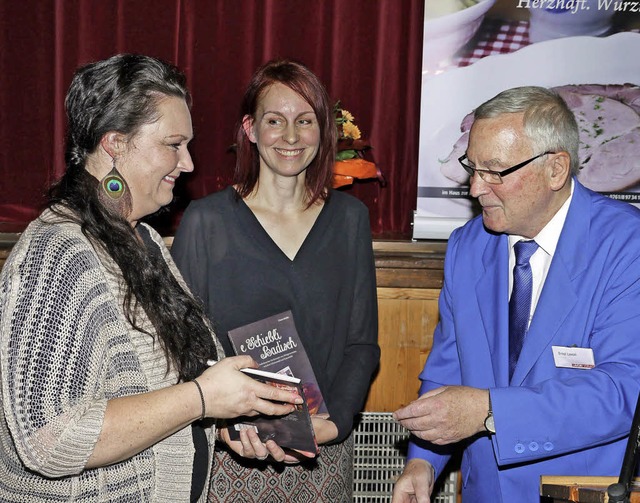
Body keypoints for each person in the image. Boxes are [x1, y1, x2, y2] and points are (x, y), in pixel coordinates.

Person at [0, 54, 304, 503]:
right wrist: (202, 400)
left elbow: (161, 396)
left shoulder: (144, 239)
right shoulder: (57, 254)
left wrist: (226, 420)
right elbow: (50, 440)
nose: (188, 164)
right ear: (115, 144)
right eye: (173, 144)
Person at [392, 86, 640, 502]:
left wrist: (490, 411)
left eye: (495, 171)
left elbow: (624, 391)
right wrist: (424, 460)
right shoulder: (467, 247)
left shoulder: (625, 244)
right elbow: (449, 367)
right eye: (472, 167)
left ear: (556, 169)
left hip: (580, 491)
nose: (475, 189)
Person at [171, 58, 380, 502]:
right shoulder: (206, 222)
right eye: (274, 120)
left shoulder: (349, 220)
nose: (289, 136)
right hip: (232, 454)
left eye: (304, 121)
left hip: (322, 455)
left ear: (324, 130)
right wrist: (222, 422)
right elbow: (183, 348)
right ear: (249, 129)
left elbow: (362, 344)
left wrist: (336, 423)